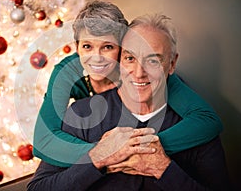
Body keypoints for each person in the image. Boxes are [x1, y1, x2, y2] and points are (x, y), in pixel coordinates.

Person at [27, 13, 230, 191]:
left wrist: (162, 167)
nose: (139, 73)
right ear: (119, 61)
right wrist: (99, 157)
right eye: (130, 58)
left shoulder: (195, 128)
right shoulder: (81, 113)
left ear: (172, 64)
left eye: (153, 61)